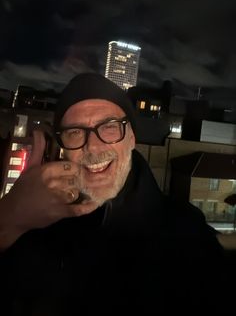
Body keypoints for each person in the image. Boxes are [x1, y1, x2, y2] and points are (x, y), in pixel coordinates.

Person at [0, 73, 229, 315]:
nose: (93, 146)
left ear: (132, 137)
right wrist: (8, 219)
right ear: (62, 148)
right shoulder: (36, 225)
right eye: (75, 132)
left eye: (109, 128)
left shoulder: (186, 232)